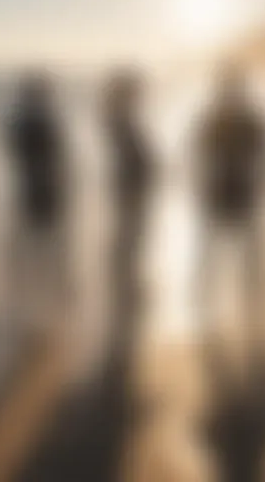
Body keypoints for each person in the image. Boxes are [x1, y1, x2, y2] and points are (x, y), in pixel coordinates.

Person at [194, 66, 265, 337]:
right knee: (220, 255)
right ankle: (211, 305)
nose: (232, 94)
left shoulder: (244, 120)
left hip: (237, 194)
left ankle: (239, 305)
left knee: (240, 255)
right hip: (225, 193)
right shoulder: (224, 120)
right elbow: (201, 158)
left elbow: (264, 155)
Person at [4, 70, 70, 332]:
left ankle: (26, 305)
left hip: (29, 191)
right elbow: (56, 161)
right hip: (45, 193)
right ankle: (42, 306)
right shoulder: (42, 121)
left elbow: (14, 154)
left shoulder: (18, 121)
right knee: (45, 249)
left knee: (29, 249)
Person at [103, 68, 157, 347]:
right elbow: (134, 157)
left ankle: (128, 283)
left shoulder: (120, 118)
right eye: (136, 90)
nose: (141, 96)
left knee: (130, 235)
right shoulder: (120, 119)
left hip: (131, 187)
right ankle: (126, 286)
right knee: (129, 235)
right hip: (130, 188)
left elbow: (139, 156)